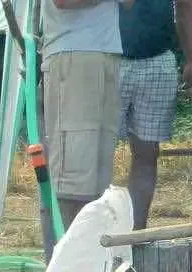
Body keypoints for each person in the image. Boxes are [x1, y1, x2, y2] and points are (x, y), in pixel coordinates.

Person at [40, 0, 129, 252]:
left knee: (98, 182)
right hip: (73, 53)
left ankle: (85, 264)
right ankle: (61, 266)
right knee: (71, 177)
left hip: (106, 53)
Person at [119, 0, 192, 230]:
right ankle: (95, 232)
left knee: (146, 154)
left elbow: (185, 5)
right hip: (109, 59)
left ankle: (136, 234)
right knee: (98, 153)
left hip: (158, 58)